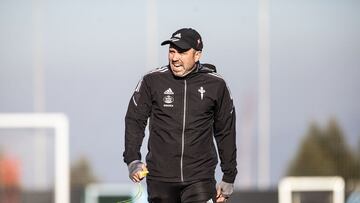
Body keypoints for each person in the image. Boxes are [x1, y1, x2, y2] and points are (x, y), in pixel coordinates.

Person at [123, 28, 237, 203]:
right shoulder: (151, 81)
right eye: (171, 51)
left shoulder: (216, 84)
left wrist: (229, 176)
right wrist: (133, 160)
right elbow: (135, 120)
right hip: (160, 180)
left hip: (200, 179)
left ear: (197, 55)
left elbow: (225, 131)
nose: (174, 58)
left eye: (182, 52)